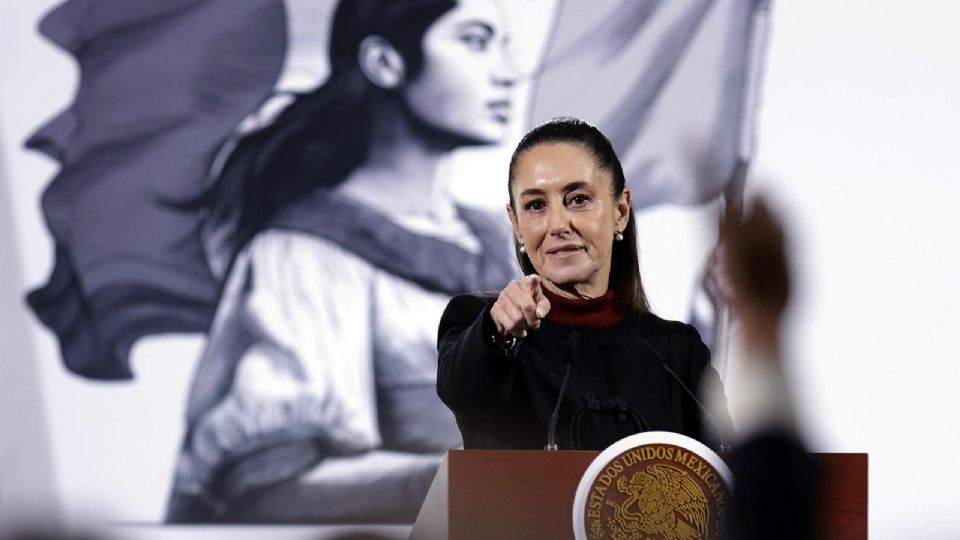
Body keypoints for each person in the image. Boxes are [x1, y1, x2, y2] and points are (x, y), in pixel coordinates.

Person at [165, 0, 518, 523]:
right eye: (475, 40)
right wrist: (490, 483)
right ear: (385, 62)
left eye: (506, 47)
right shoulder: (303, 255)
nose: (509, 72)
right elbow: (266, 489)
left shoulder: (510, 245)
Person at [436, 117, 731, 451]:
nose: (558, 224)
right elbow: (462, 389)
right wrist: (496, 329)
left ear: (620, 210)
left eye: (578, 199)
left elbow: (729, 473)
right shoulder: (483, 328)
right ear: (516, 225)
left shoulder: (678, 353)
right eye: (535, 205)